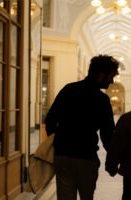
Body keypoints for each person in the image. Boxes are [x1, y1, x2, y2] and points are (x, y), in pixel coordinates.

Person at [45, 55, 119, 200]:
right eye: (111, 76)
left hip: (63, 156)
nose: (112, 81)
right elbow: (107, 135)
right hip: (86, 158)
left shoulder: (68, 89)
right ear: (101, 74)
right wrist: (113, 161)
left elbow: (50, 120)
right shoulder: (102, 100)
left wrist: (58, 144)